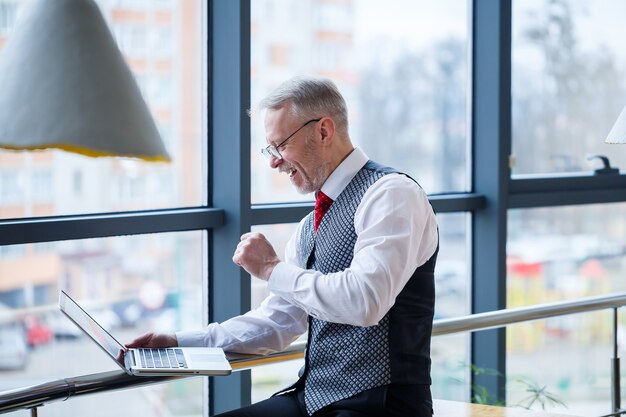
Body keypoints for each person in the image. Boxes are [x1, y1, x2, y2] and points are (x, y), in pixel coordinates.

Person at [127, 75, 439, 417]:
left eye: (281, 145)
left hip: (383, 405)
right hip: (313, 398)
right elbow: (277, 321)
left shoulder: (391, 194)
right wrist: (176, 341)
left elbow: (365, 301)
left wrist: (271, 270)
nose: (274, 161)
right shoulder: (310, 226)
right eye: (270, 149)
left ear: (323, 131)